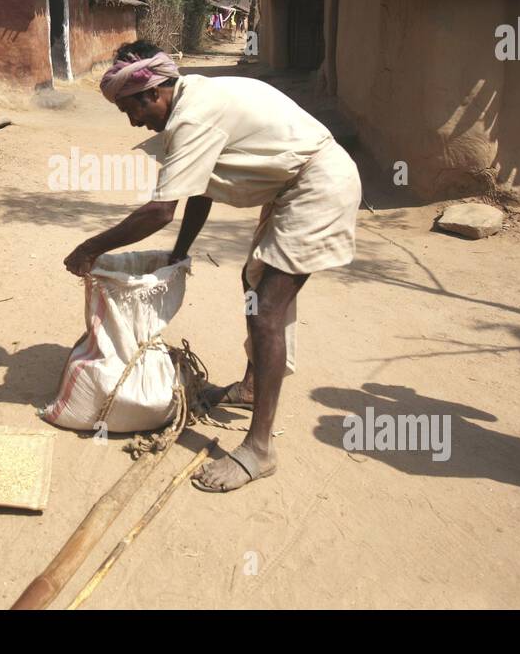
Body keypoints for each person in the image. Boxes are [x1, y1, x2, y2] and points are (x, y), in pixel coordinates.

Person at [64, 41, 361, 492]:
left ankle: (259, 449)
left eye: (131, 109)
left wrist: (89, 248)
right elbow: (200, 189)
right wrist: (181, 250)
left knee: (266, 312)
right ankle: (251, 386)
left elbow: (159, 210)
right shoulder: (193, 96)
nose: (132, 120)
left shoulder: (193, 117)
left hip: (318, 186)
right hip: (296, 187)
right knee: (253, 281)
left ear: (153, 94)